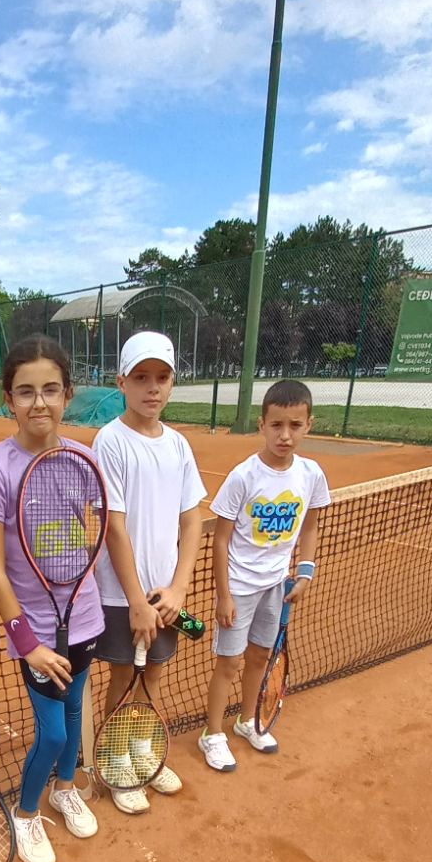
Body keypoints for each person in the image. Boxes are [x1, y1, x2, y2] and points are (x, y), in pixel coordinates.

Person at [0, 336, 103, 862]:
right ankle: (24, 814)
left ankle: (64, 789)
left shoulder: (84, 459)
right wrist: (27, 643)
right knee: (55, 730)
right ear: (8, 399)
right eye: (25, 391)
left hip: (84, 617)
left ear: (67, 394)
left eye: (50, 389)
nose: (38, 402)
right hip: (35, 632)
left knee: (74, 710)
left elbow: (88, 537)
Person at [92, 330, 205, 814]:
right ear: (122, 382)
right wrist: (136, 601)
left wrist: (178, 589)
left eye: (162, 377)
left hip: (165, 596)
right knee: (123, 678)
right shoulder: (110, 442)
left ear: (172, 383)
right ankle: (116, 760)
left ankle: (143, 750)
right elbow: (114, 528)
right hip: (123, 596)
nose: (152, 387)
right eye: (140, 377)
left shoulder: (178, 445)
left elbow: (192, 520)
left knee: (154, 675)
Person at [198, 380, 331, 771]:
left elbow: (309, 527)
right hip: (239, 589)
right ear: (262, 425)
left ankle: (247, 721)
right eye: (276, 425)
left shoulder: (311, 474)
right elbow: (221, 540)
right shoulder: (244, 476)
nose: (285, 435)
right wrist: (224, 596)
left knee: (259, 656)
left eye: (295, 425)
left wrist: (305, 572)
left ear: (309, 425)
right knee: (228, 663)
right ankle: (212, 734)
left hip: (276, 585)